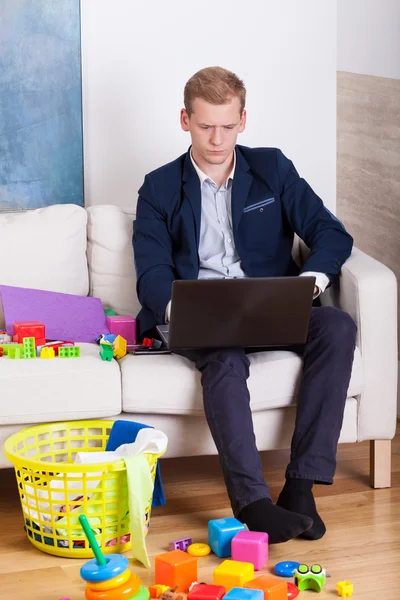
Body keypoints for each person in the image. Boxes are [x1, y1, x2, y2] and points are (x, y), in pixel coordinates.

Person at [133, 66, 357, 543]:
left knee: (336, 327)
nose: (217, 139)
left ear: (243, 121)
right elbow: (151, 274)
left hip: (269, 306)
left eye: (227, 126)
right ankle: (253, 502)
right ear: (184, 120)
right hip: (202, 316)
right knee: (224, 358)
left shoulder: (272, 168)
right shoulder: (158, 187)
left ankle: (300, 487)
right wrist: (182, 313)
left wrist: (309, 284)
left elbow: (330, 232)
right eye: (205, 125)